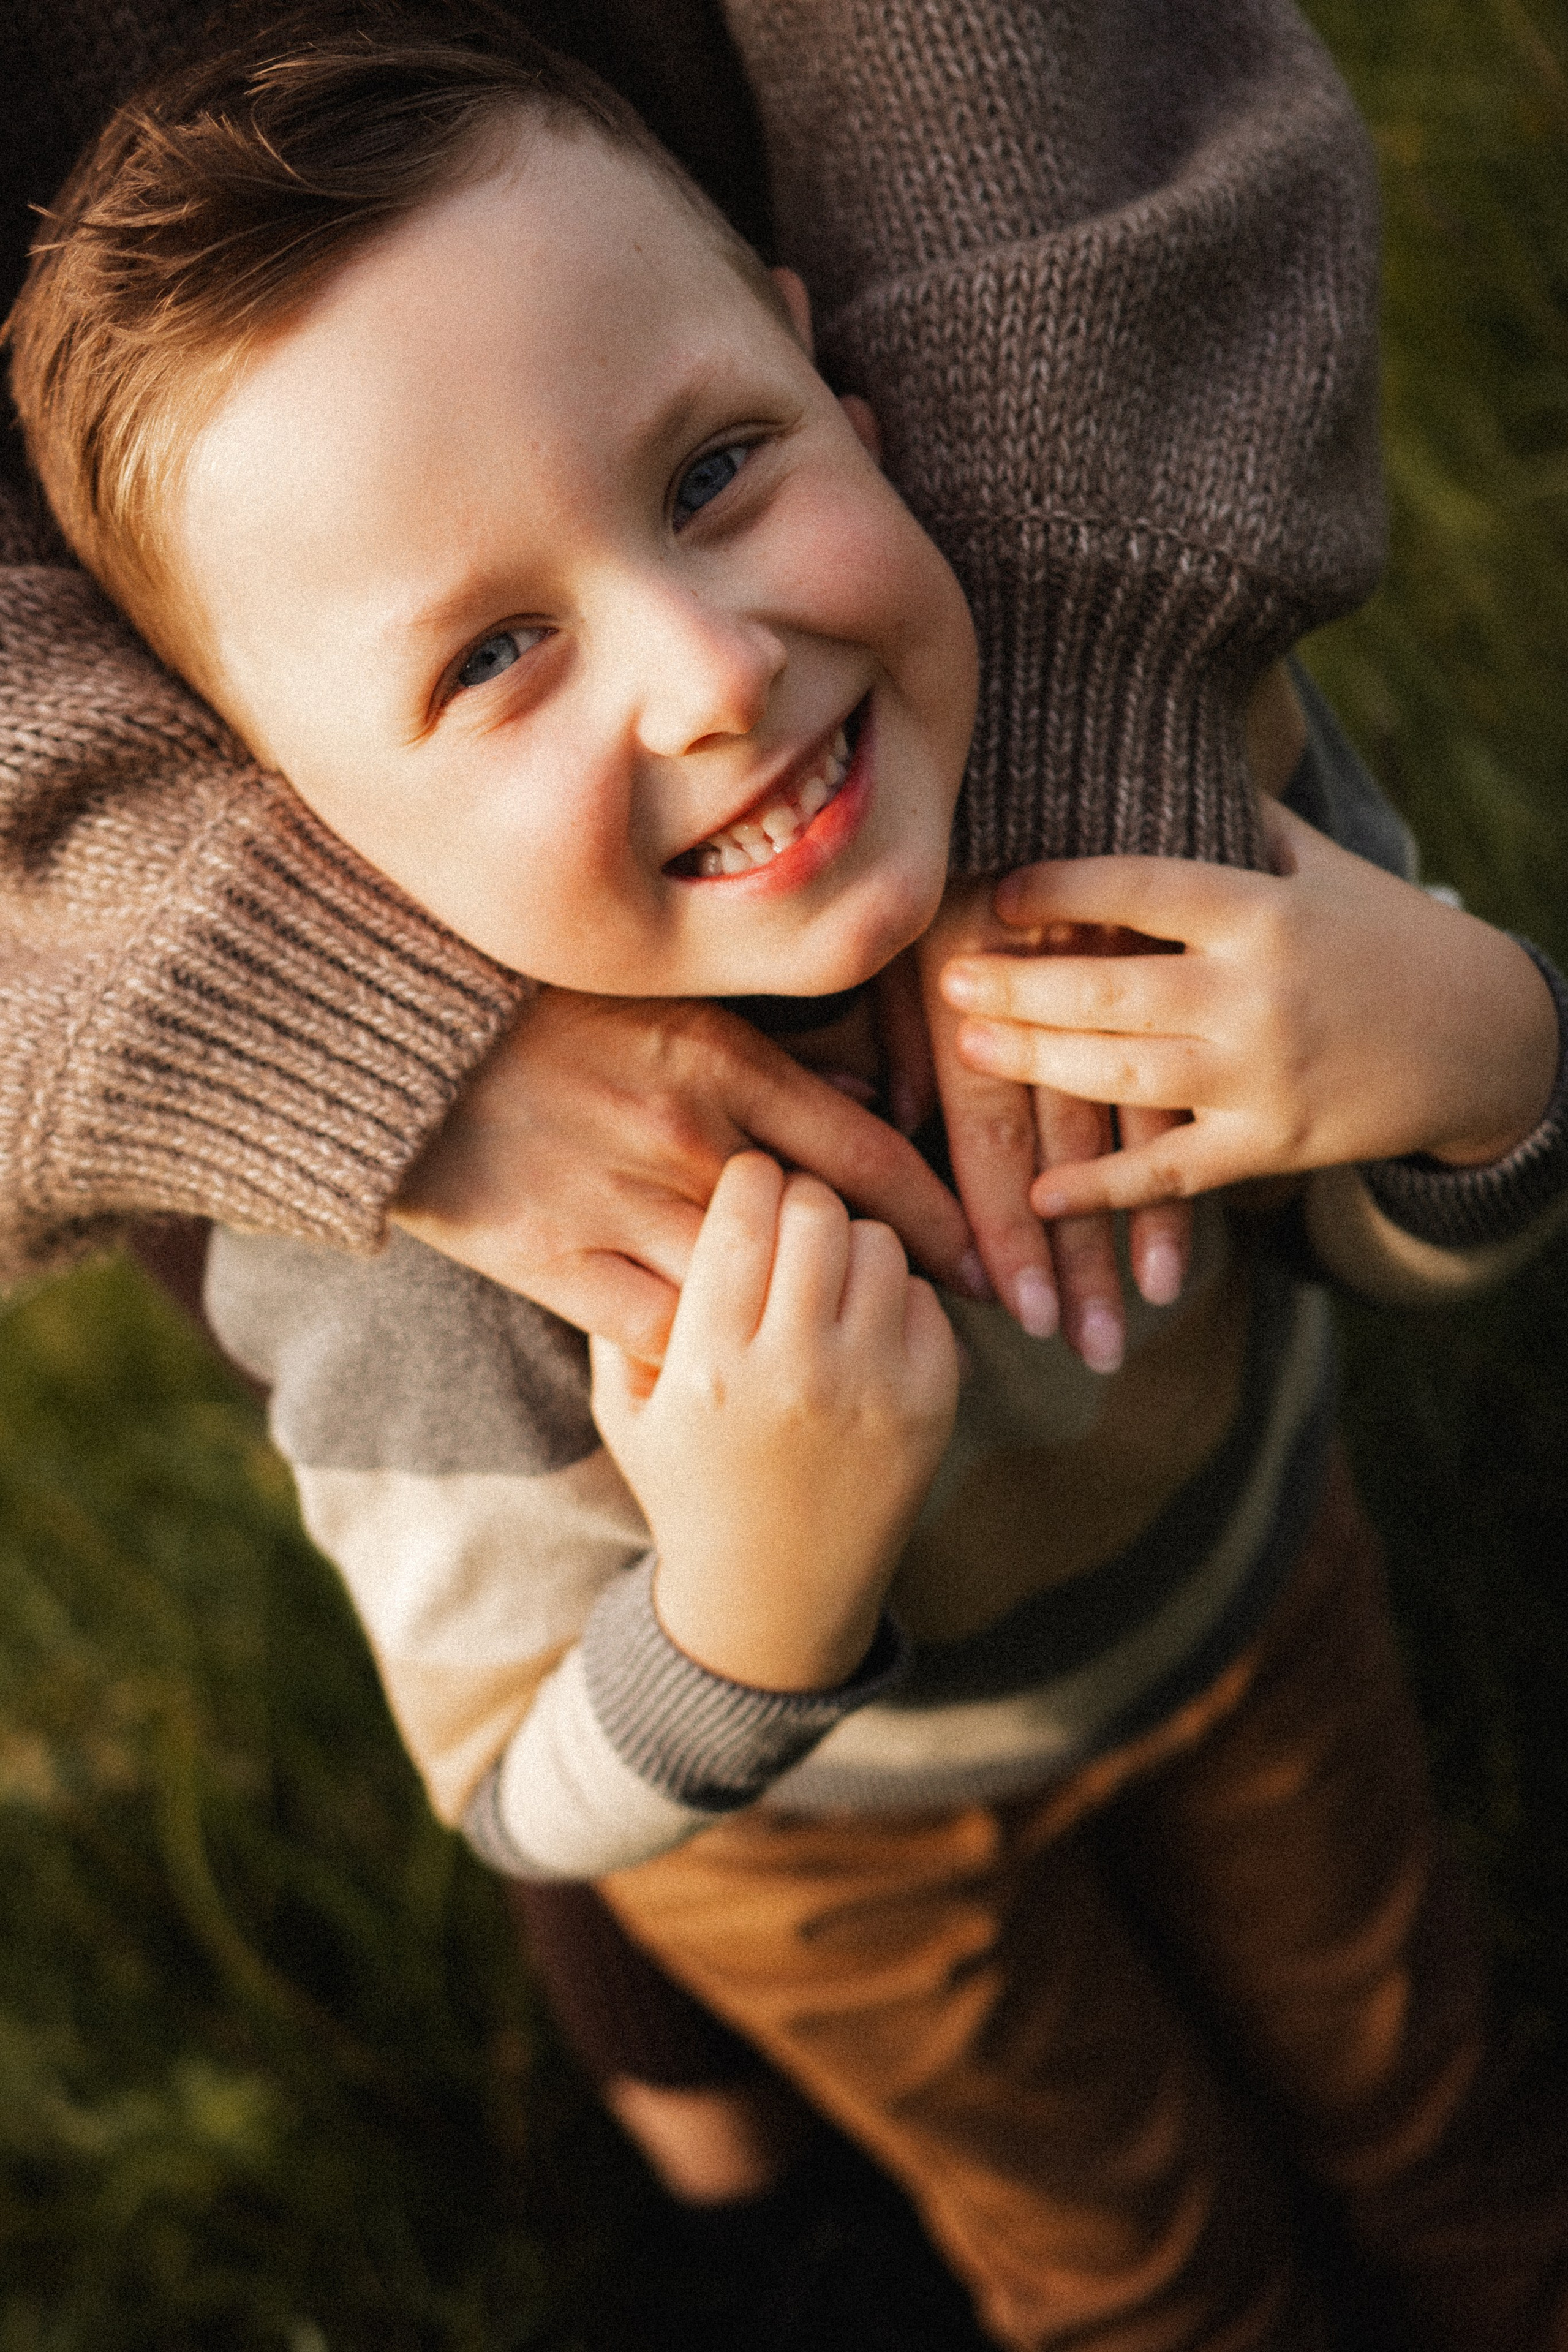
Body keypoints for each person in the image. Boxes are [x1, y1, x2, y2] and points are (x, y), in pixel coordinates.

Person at [15, 21, 1568, 2350]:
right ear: (291, 818)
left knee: (1439, 2103)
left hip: (1252, 1609)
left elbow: (1390, 1231)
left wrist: (1491, 1051)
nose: (711, 673)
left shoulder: (1172, 800)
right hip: (832, 1861)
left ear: (829, 364)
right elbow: (527, 1795)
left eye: (719, 467)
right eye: (495, 654)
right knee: (1132, 2259)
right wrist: (755, 1590)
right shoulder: (430, 1257)